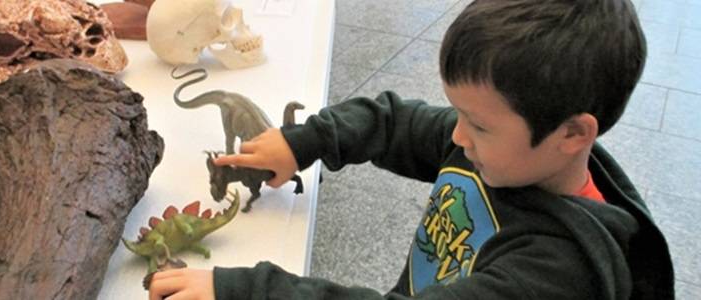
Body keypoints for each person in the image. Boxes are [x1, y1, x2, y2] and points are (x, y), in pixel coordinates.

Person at [148, 0, 674, 299]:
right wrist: (301, 141)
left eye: (480, 126)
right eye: (460, 114)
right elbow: (394, 121)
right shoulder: (509, 154)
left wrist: (247, 292)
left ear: (572, 134)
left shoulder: (556, 273)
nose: (459, 137)